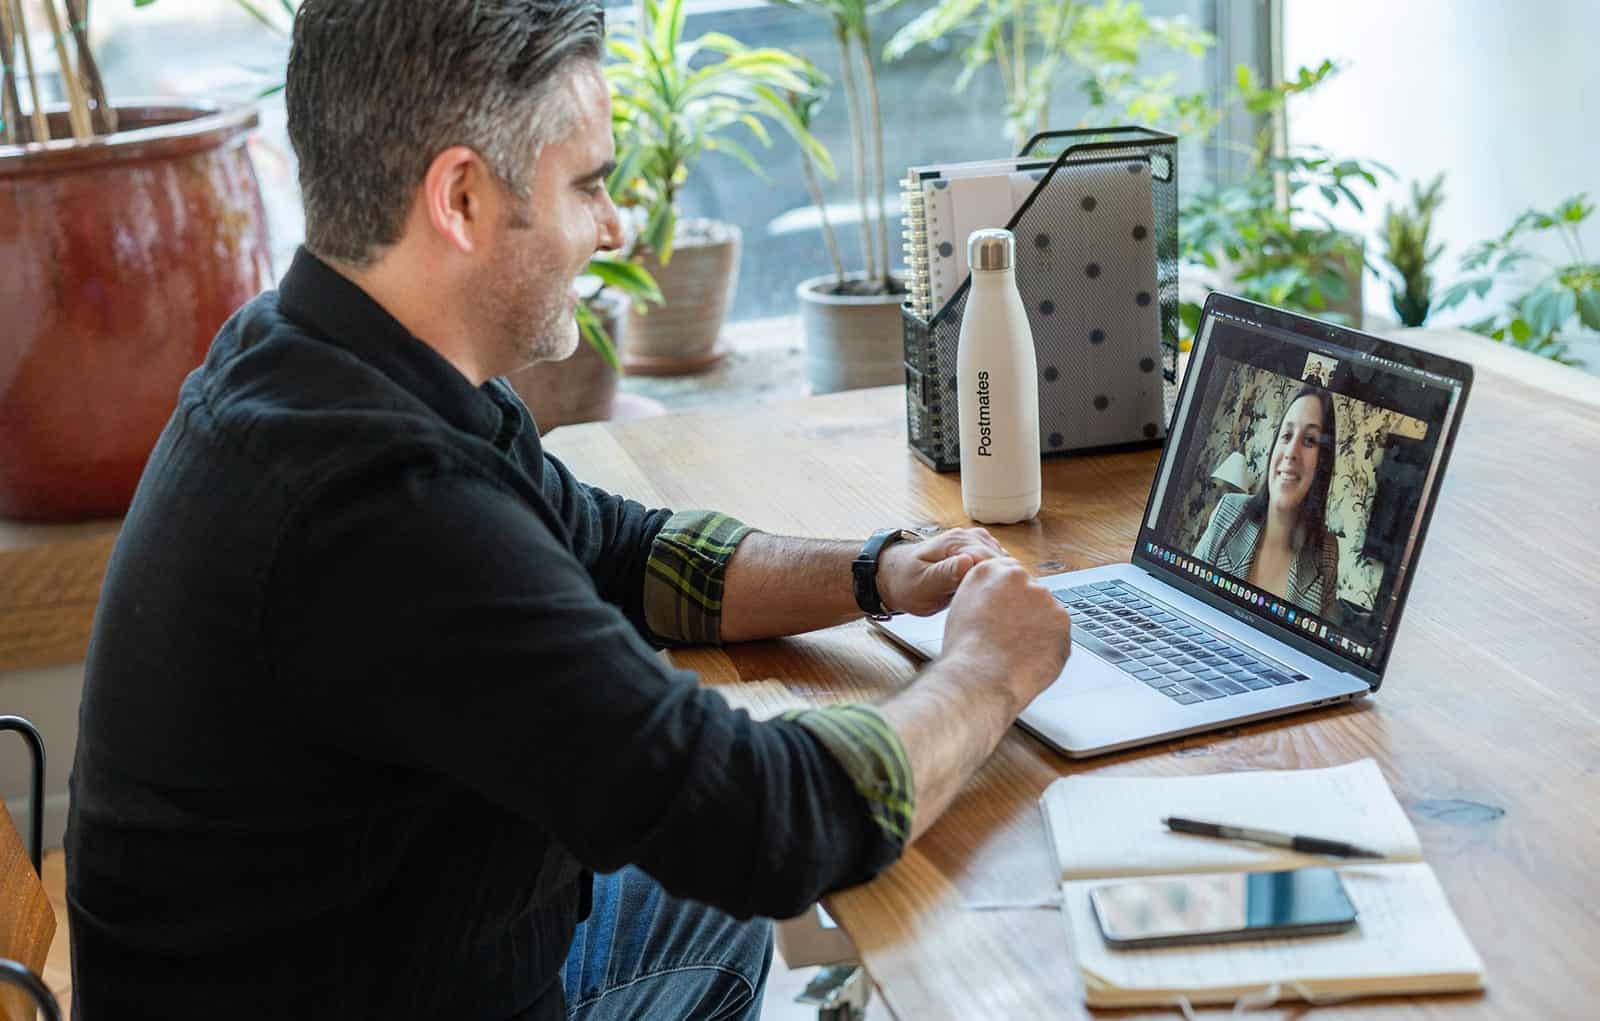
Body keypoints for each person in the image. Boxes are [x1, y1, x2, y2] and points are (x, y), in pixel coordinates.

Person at [63, 2, 1074, 1018]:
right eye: (588, 184)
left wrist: (877, 569)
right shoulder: (382, 507)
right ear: (460, 197)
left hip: (383, 947)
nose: (614, 226)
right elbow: (770, 825)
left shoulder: (319, 353)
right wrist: (990, 667)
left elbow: (619, 552)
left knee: (709, 909)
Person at [1194, 385, 1340, 616]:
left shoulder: (1327, 552)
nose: (1292, 452)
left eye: (1310, 440)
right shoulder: (1229, 510)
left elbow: (1318, 645)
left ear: (1322, 463)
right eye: (1286, 435)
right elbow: (1185, 594)